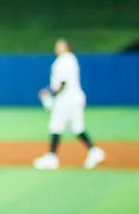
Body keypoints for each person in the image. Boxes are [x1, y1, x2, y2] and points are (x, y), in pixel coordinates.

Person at [34, 39, 104, 170]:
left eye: (59, 45)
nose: (56, 47)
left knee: (56, 126)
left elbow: (62, 84)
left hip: (66, 99)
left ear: (66, 47)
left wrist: (49, 92)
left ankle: (51, 158)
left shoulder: (64, 60)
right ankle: (95, 152)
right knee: (77, 128)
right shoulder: (70, 59)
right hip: (74, 97)